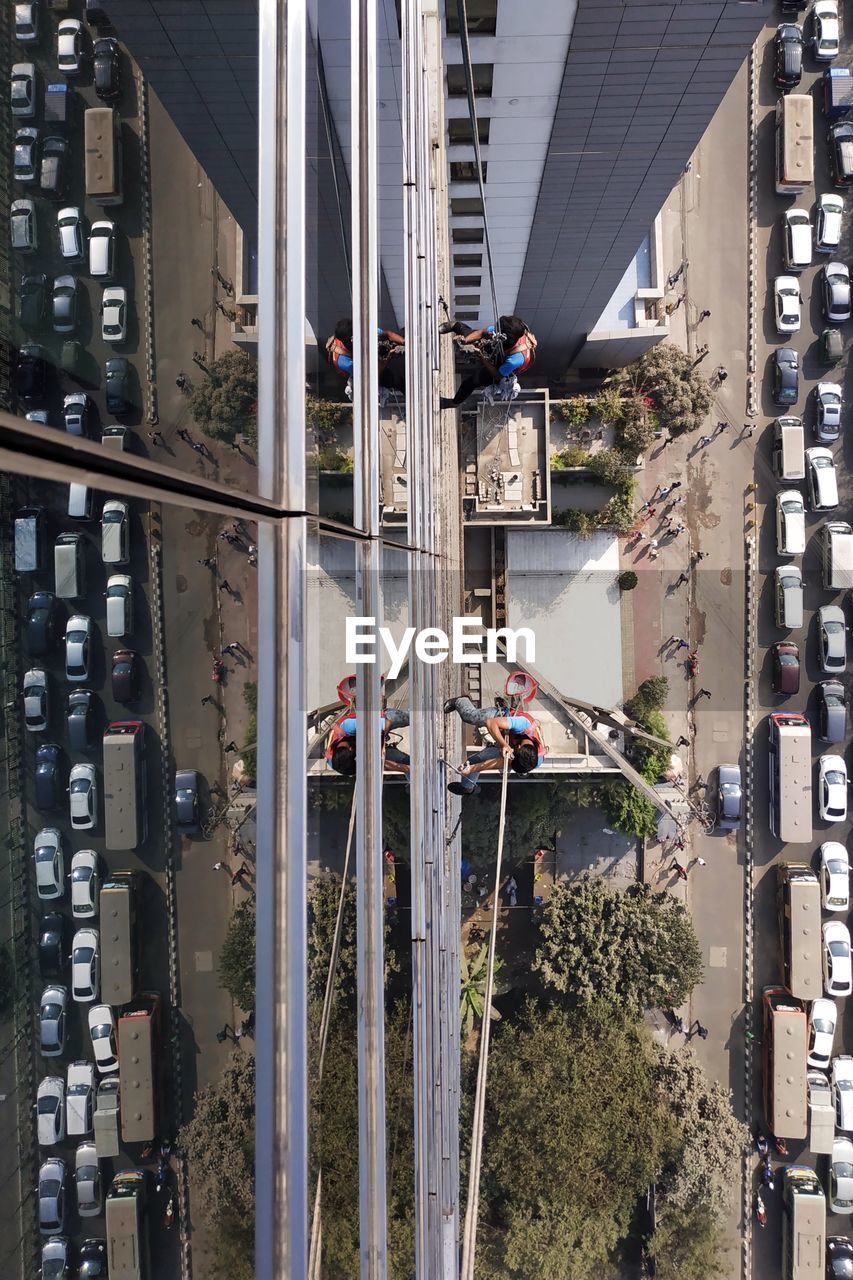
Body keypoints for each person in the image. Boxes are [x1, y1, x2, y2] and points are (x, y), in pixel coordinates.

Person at [444, 696, 546, 793]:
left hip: (510, 744)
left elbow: (502, 762)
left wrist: (471, 769)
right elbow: (491, 723)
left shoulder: (532, 761)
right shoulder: (523, 724)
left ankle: (467, 787)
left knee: (473, 762)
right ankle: (461, 701)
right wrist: (503, 744)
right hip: (501, 719)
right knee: (470, 716)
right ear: (518, 748)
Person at [439, 315, 537, 408]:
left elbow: (497, 375)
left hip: (500, 367)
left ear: (505, 339)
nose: (496, 330)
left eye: (498, 332)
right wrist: (465, 340)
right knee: (459, 327)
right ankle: (450, 327)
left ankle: (454, 403)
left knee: (471, 382)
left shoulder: (515, 359)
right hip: (497, 348)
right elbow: (482, 332)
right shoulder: (504, 328)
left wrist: (481, 357)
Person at [325, 318, 406, 392]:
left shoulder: (362, 329)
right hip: (375, 371)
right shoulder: (343, 361)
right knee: (398, 372)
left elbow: (388, 334)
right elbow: (372, 375)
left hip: (381, 351)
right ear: (349, 341)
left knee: (405, 332)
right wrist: (388, 358)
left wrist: (404, 341)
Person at [324, 707, 411, 776]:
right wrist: (408, 769)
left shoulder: (347, 727)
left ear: (351, 748)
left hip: (382, 720)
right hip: (369, 746)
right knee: (404, 761)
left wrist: (379, 747)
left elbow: (387, 723)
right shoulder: (339, 763)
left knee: (404, 717)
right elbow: (380, 764)